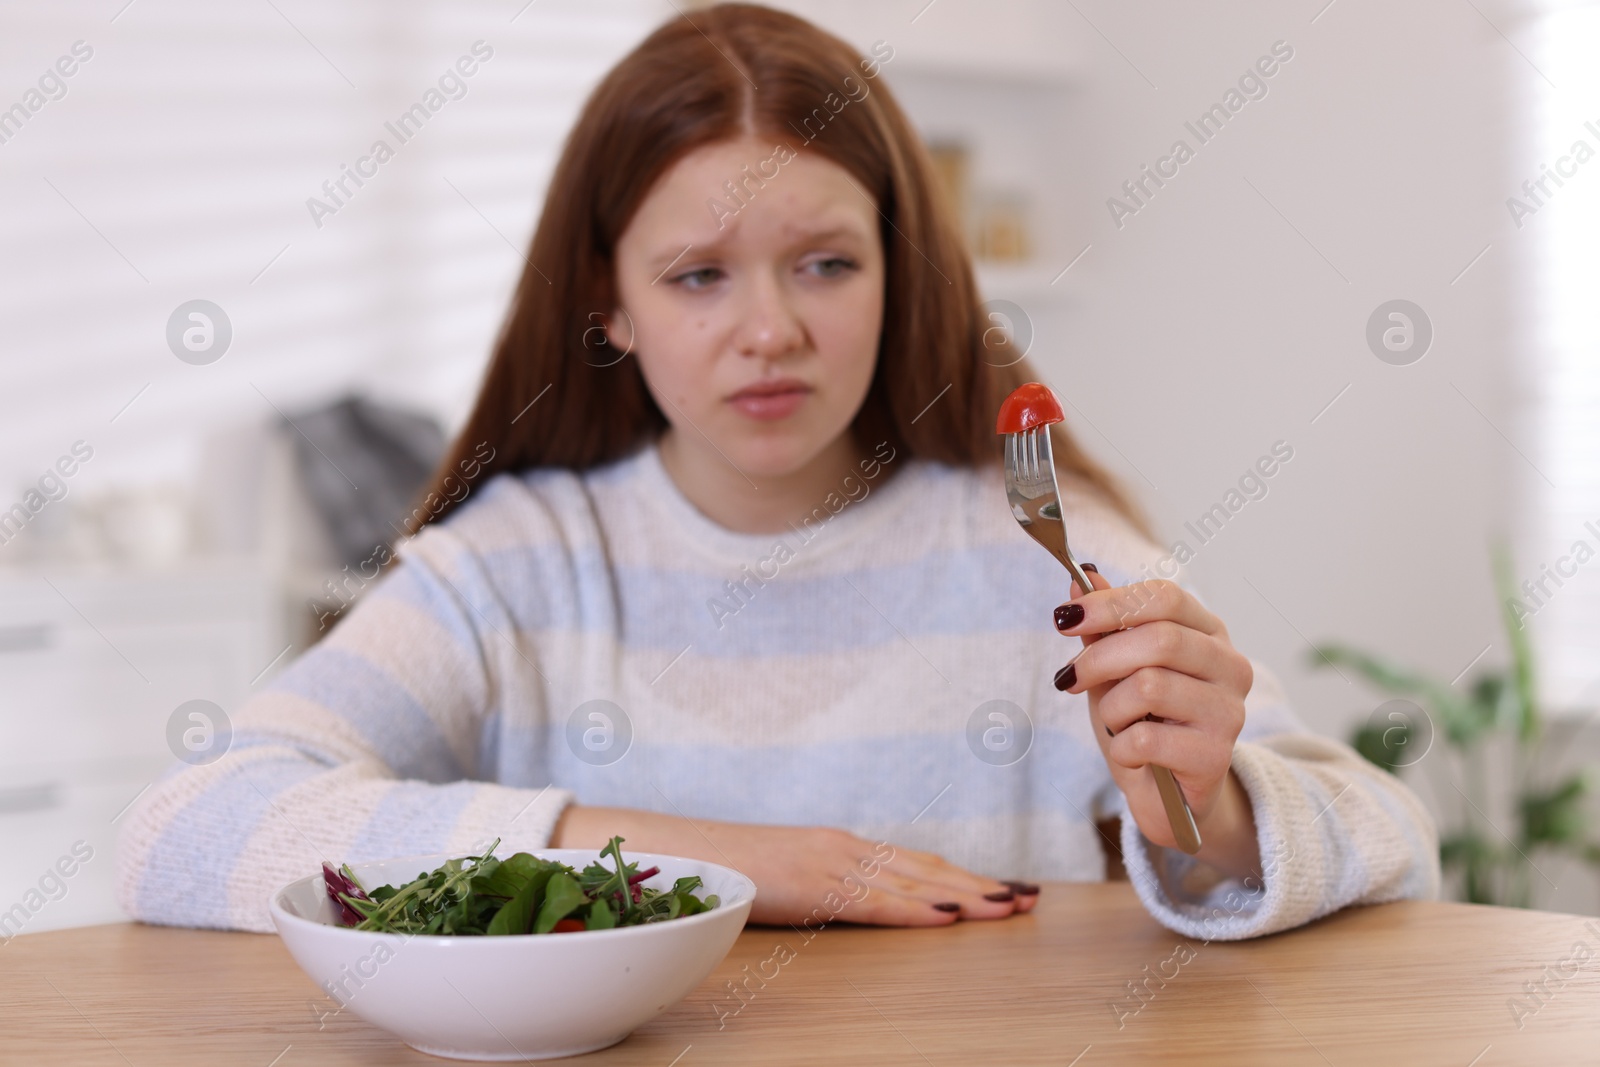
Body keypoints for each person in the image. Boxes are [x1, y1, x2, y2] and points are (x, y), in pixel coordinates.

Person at [115, 3, 1438, 939]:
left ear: (897, 269)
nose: (773, 330)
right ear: (610, 303)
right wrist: (713, 864)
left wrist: (1209, 815)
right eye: (698, 275)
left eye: (827, 263)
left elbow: (1386, 834)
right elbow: (188, 826)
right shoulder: (514, 570)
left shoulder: (1032, 549)